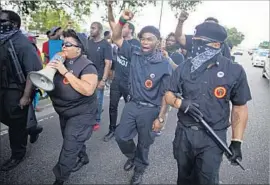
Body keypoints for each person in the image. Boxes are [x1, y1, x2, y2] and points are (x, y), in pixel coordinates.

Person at [165, 21, 252, 185]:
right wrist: (180, 103)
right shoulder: (184, 67)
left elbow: (240, 107)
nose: (195, 46)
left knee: (207, 180)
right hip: (184, 135)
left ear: (216, 44)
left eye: (200, 43)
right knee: (184, 178)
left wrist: (236, 141)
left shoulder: (234, 70)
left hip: (213, 138)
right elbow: (168, 94)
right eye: (195, 41)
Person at [111, 10, 172, 184]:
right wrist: (122, 20)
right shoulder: (134, 53)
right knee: (121, 136)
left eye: (150, 39)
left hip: (151, 109)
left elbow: (166, 94)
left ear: (157, 42)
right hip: (133, 104)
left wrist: (161, 117)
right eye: (143, 38)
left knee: (144, 144)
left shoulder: (164, 64)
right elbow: (116, 37)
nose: (145, 42)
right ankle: (133, 156)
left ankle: (140, 168)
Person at [45, 29, 98, 185]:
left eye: (68, 44)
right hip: (64, 111)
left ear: (79, 49)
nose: (64, 46)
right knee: (72, 141)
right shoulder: (60, 60)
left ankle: (59, 179)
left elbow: (88, 90)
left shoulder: (88, 67)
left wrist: (65, 72)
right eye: (63, 43)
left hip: (82, 114)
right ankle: (83, 157)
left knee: (68, 148)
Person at [0, 10, 43, 171]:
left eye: (2, 21)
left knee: (16, 123)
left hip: (18, 89)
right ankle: (30, 127)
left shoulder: (23, 43)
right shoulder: (2, 40)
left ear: (14, 24)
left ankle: (17, 154)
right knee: (7, 118)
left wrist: (26, 96)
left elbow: (33, 72)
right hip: (3, 87)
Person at [103, 0, 140, 142]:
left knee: (130, 108)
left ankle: (129, 129)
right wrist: (109, 6)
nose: (119, 29)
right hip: (117, 80)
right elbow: (112, 21)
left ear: (130, 29)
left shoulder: (137, 44)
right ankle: (112, 129)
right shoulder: (119, 38)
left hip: (130, 82)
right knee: (112, 106)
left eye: (123, 27)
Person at [86, 21, 112, 131]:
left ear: (100, 30)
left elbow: (108, 63)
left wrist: (103, 80)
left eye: (94, 28)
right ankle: (88, 118)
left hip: (99, 77)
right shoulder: (88, 42)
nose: (91, 30)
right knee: (87, 99)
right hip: (87, 76)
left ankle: (96, 120)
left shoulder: (105, 44)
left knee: (97, 99)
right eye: (90, 28)